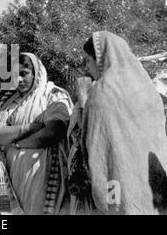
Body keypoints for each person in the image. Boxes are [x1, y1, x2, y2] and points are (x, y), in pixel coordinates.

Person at [67, 31, 167, 214]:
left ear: (101, 59)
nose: (87, 68)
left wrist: (82, 103)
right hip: (154, 190)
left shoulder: (102, 93)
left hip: (121, 187)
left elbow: (94, 145)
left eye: (88, 61)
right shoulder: (150, 91)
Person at [0, 53, 73, 214]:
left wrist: (19, 144)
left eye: (24, 74)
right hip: (19, 178)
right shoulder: (11, 103)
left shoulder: (52, 95)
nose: (19, 80)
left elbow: (54, 130)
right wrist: (31, 127)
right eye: (15, 75)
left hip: (45, 174)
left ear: (37, 73)